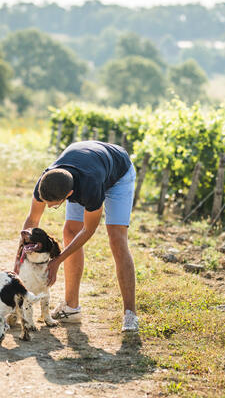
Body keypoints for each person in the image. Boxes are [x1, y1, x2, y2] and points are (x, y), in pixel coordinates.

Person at [19, 140, 139, 332]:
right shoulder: (46, 181)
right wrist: (20, 258)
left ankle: (130, 314)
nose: (49, 207)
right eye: (47, 203)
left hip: (118, 172)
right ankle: (71, 307)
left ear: (70, 194)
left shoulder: (90, 187)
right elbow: (32, 221)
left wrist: (57, 261)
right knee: (69, 231)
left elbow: (88, 230)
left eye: (55, 205)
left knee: (116, 237)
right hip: (85, 165)